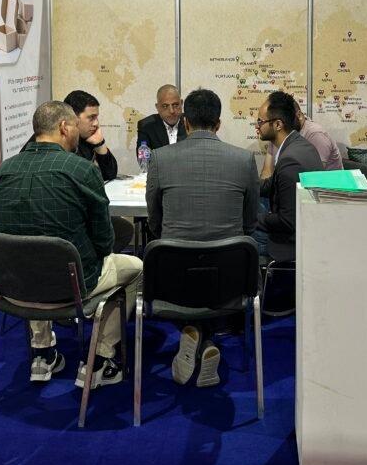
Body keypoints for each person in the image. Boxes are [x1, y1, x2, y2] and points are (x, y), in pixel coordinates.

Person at [0, 100, 142, 389]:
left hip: (15, 286)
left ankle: (42, 352)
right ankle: (100, 357)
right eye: (74, 125)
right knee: (136, 269)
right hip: (72, 285)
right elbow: (104, 241)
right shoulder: (81, 171)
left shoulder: (2, 172)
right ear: (64, 127)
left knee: (32, 257)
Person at [145, 88, 259, 387]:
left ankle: (193, 333)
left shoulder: (159, 159)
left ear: (185, 122)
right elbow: (249, 223)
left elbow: (154, 221)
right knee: (211, 269)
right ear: (218, 124)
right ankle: (205, 338)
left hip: (172, 280)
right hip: (230, 281)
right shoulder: (244, 159)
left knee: (188, 268)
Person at [253, 90, 322, 261]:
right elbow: (271, 185)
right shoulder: (299, 145)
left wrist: (251, 218)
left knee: (237, 230)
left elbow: (287, 221)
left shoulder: (290, 160)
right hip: (303, 229)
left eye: (260, 121)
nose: (256, 126)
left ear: (278, 124)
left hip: (289, 243)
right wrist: (243, 183)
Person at [264, 101, 342, 172]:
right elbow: (267, 171)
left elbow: (315, 175)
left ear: (299, 115)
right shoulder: (278, 132)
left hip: (324, 182)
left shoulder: (316, 134)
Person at [64, 89, 118, 182]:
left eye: (96, 117)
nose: (96, 123)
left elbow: (110, 174)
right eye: (91, 118)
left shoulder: (87, 138)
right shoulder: (60, 141)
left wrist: (100, 144)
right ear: (72, 118)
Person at [135, 84, 187, 154]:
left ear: (181, 103)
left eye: (175, 105)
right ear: (157, 107)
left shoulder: (191, 122)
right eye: (165, 106)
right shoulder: (146, 126)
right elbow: (143, 158)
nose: (171, 111)